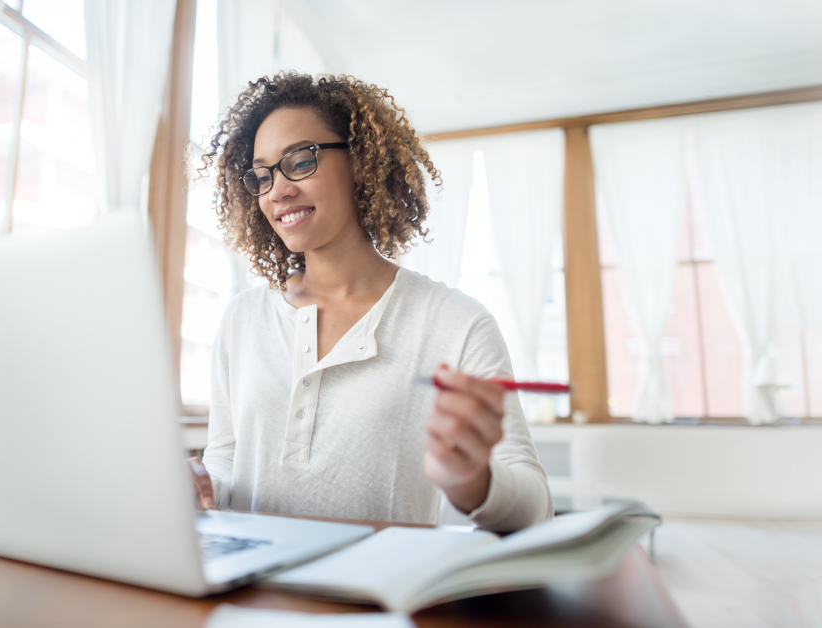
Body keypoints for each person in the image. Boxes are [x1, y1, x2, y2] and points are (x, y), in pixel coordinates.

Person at [186, 73, 551, 532]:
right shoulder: (242, 318)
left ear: (360, 161)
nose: (278, 190)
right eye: (262, 175)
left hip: (380, 598)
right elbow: (226, 460)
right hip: (249, 593)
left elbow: (536, 507)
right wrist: (199, 485)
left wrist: (475, 482)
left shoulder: (457, 324)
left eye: (300, 161)